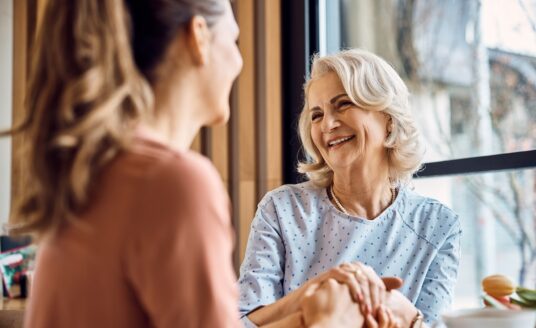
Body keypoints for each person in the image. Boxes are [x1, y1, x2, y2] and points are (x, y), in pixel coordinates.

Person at [2, 1, 372, 327]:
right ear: (199, 37)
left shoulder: (96, 171)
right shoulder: (174, 183)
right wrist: (328, 321)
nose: (240, 61)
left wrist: (308, 309)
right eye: (235, 41)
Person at [238, 49, 462, 326]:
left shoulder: (438, 225)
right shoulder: (281, 210)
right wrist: (316, 292)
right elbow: (243, 322)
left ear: (388, 117)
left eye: (343, 104)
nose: (328, 124)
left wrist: (399, 311)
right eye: (316, 115)